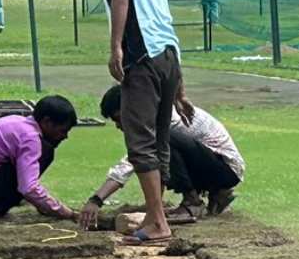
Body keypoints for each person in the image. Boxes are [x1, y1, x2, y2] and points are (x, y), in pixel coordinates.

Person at [95, 0, 187, 244]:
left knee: (140, 141)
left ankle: (158, 222)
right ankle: (154, 215)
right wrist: (180, 89)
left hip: (143, 60)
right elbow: (165, 25)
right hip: (169, 59)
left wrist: (116, 47)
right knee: (159, 141)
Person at [89, 85, 241, 222]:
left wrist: (97, 199)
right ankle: (217, 194)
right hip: (210, 165)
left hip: (226, 169)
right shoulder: (152, 119)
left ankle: (193, 202)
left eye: (119, 118)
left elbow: (133, 161)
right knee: (156, 148)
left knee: (161, 141)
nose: (118, 125)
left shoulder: (166, 118)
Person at [0, 95, 85, 223]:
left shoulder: (18, 121)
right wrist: (69, 214)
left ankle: (33, 202)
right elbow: (28, 188)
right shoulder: (31, 138)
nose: (65, 137)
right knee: (46, 151)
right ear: (47, 122)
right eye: (62, 131)